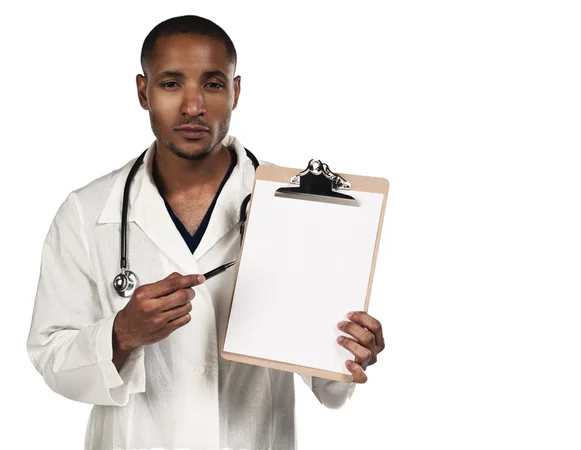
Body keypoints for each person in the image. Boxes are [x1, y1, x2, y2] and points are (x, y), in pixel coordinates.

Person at [26, 15, 386, 450]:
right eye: (171, 83)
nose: (193, 106)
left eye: (213, 85)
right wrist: (121, 334)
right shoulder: (86, 213)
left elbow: (329, 389)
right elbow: (51, 357)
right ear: (143, 91)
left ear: (236, 92)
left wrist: (351, 351)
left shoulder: (301, 209)